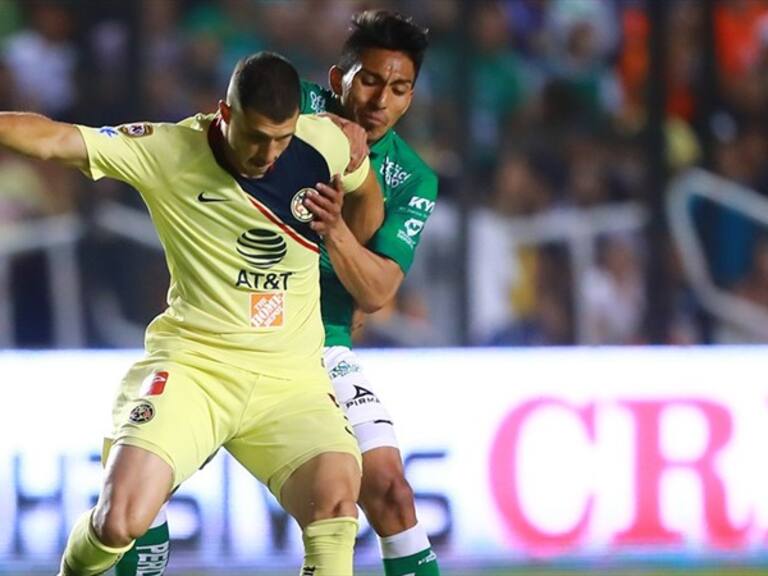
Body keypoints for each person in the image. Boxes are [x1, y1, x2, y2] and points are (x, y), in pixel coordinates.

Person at [0, 51, 384, 576]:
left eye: (283, 138)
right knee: (119, 522)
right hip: (196, 370)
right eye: (256, 137)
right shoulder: (166, 149)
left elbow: (367, 192)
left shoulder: (324, 140)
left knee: (337, 509)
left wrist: (345, 233)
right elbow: (52, 138)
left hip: (291, 382)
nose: (270, 154)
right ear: (224, 115)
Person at [120, 9, 441, 576]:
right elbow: (208, 145)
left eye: (399, 89)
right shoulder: (291, 108)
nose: (379, 101)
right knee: (139, 494)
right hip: (223, 334)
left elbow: (377, 291)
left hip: (319, 347)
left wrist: (337, 230)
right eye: (368, 80)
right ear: (337, 76)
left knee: (390, 492)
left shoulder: (413, 178)